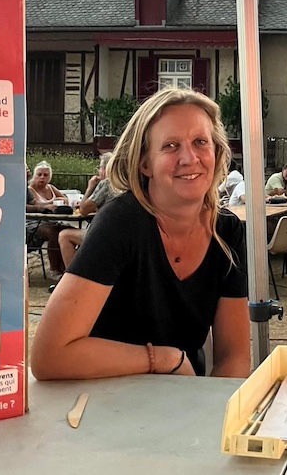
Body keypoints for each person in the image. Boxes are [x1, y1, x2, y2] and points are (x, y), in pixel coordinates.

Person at [31, 87, 250, 379]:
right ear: (145, 163)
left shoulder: (227, 231)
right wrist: (162, 358)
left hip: (183, 398)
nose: (189, 158)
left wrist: (216, 416)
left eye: (200, 142)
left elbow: (233, 358)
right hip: (107, 399)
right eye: (171, 146)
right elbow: (48, 356)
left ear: (217, 152)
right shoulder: (121, 222)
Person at [58, 153, 119, 269]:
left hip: (105, 235)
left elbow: (84, 210)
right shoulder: (126, 183)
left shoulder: (107, 184)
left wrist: (89, 187)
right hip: (122, 233)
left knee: (64, 235)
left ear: (106, 169)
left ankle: (73, 277)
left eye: (100, 168)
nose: (99, 171)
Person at [26, 161, 73, 279]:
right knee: (54, 232)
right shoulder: (29, 189)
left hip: (49, 220)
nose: (42, 177)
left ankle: (66, 268)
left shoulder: (50, 188)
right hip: (32, 223)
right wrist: (49, 204)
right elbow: (31, 206)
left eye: (45, 175)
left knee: (67, 230)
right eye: (39, 174)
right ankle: (54, 269)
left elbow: (65, 198)